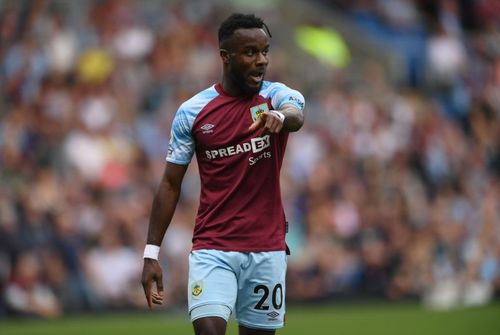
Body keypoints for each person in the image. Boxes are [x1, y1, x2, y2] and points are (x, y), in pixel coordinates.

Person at [141, 13, 305, 335]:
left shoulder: (277, 96)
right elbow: (171, 183)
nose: (261, 61)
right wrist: (151, 254)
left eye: (265, 51)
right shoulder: (193, 111)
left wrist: (280, 118)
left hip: (267, 249)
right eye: (250, 52)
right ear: (225, 57)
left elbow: (296, 114)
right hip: (212, 248)